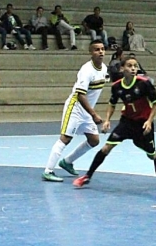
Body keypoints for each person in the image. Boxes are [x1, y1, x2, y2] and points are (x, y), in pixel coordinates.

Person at [73, 54, 156, 187]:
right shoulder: (116, 87)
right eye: (129, 66)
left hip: (143, 123)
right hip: (126, 122)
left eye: (135, 66)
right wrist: (107, 120)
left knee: (149, 152)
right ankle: (87, 176)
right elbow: (112, 103)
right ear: (122, 69)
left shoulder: (144, 84)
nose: (133, 68)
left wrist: (149, 121)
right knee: (106, 147)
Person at [42, 40, 107, 182]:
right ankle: (48, 171)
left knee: (94, 140)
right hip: (76, 108)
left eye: (102, 49)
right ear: (91, 52)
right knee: (66, 138)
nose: (101, 52)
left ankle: (67, 161)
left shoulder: (104, 69)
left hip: (87, 112)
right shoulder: (86, 70)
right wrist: (94, 114)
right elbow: (80, 94)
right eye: (97, 49)